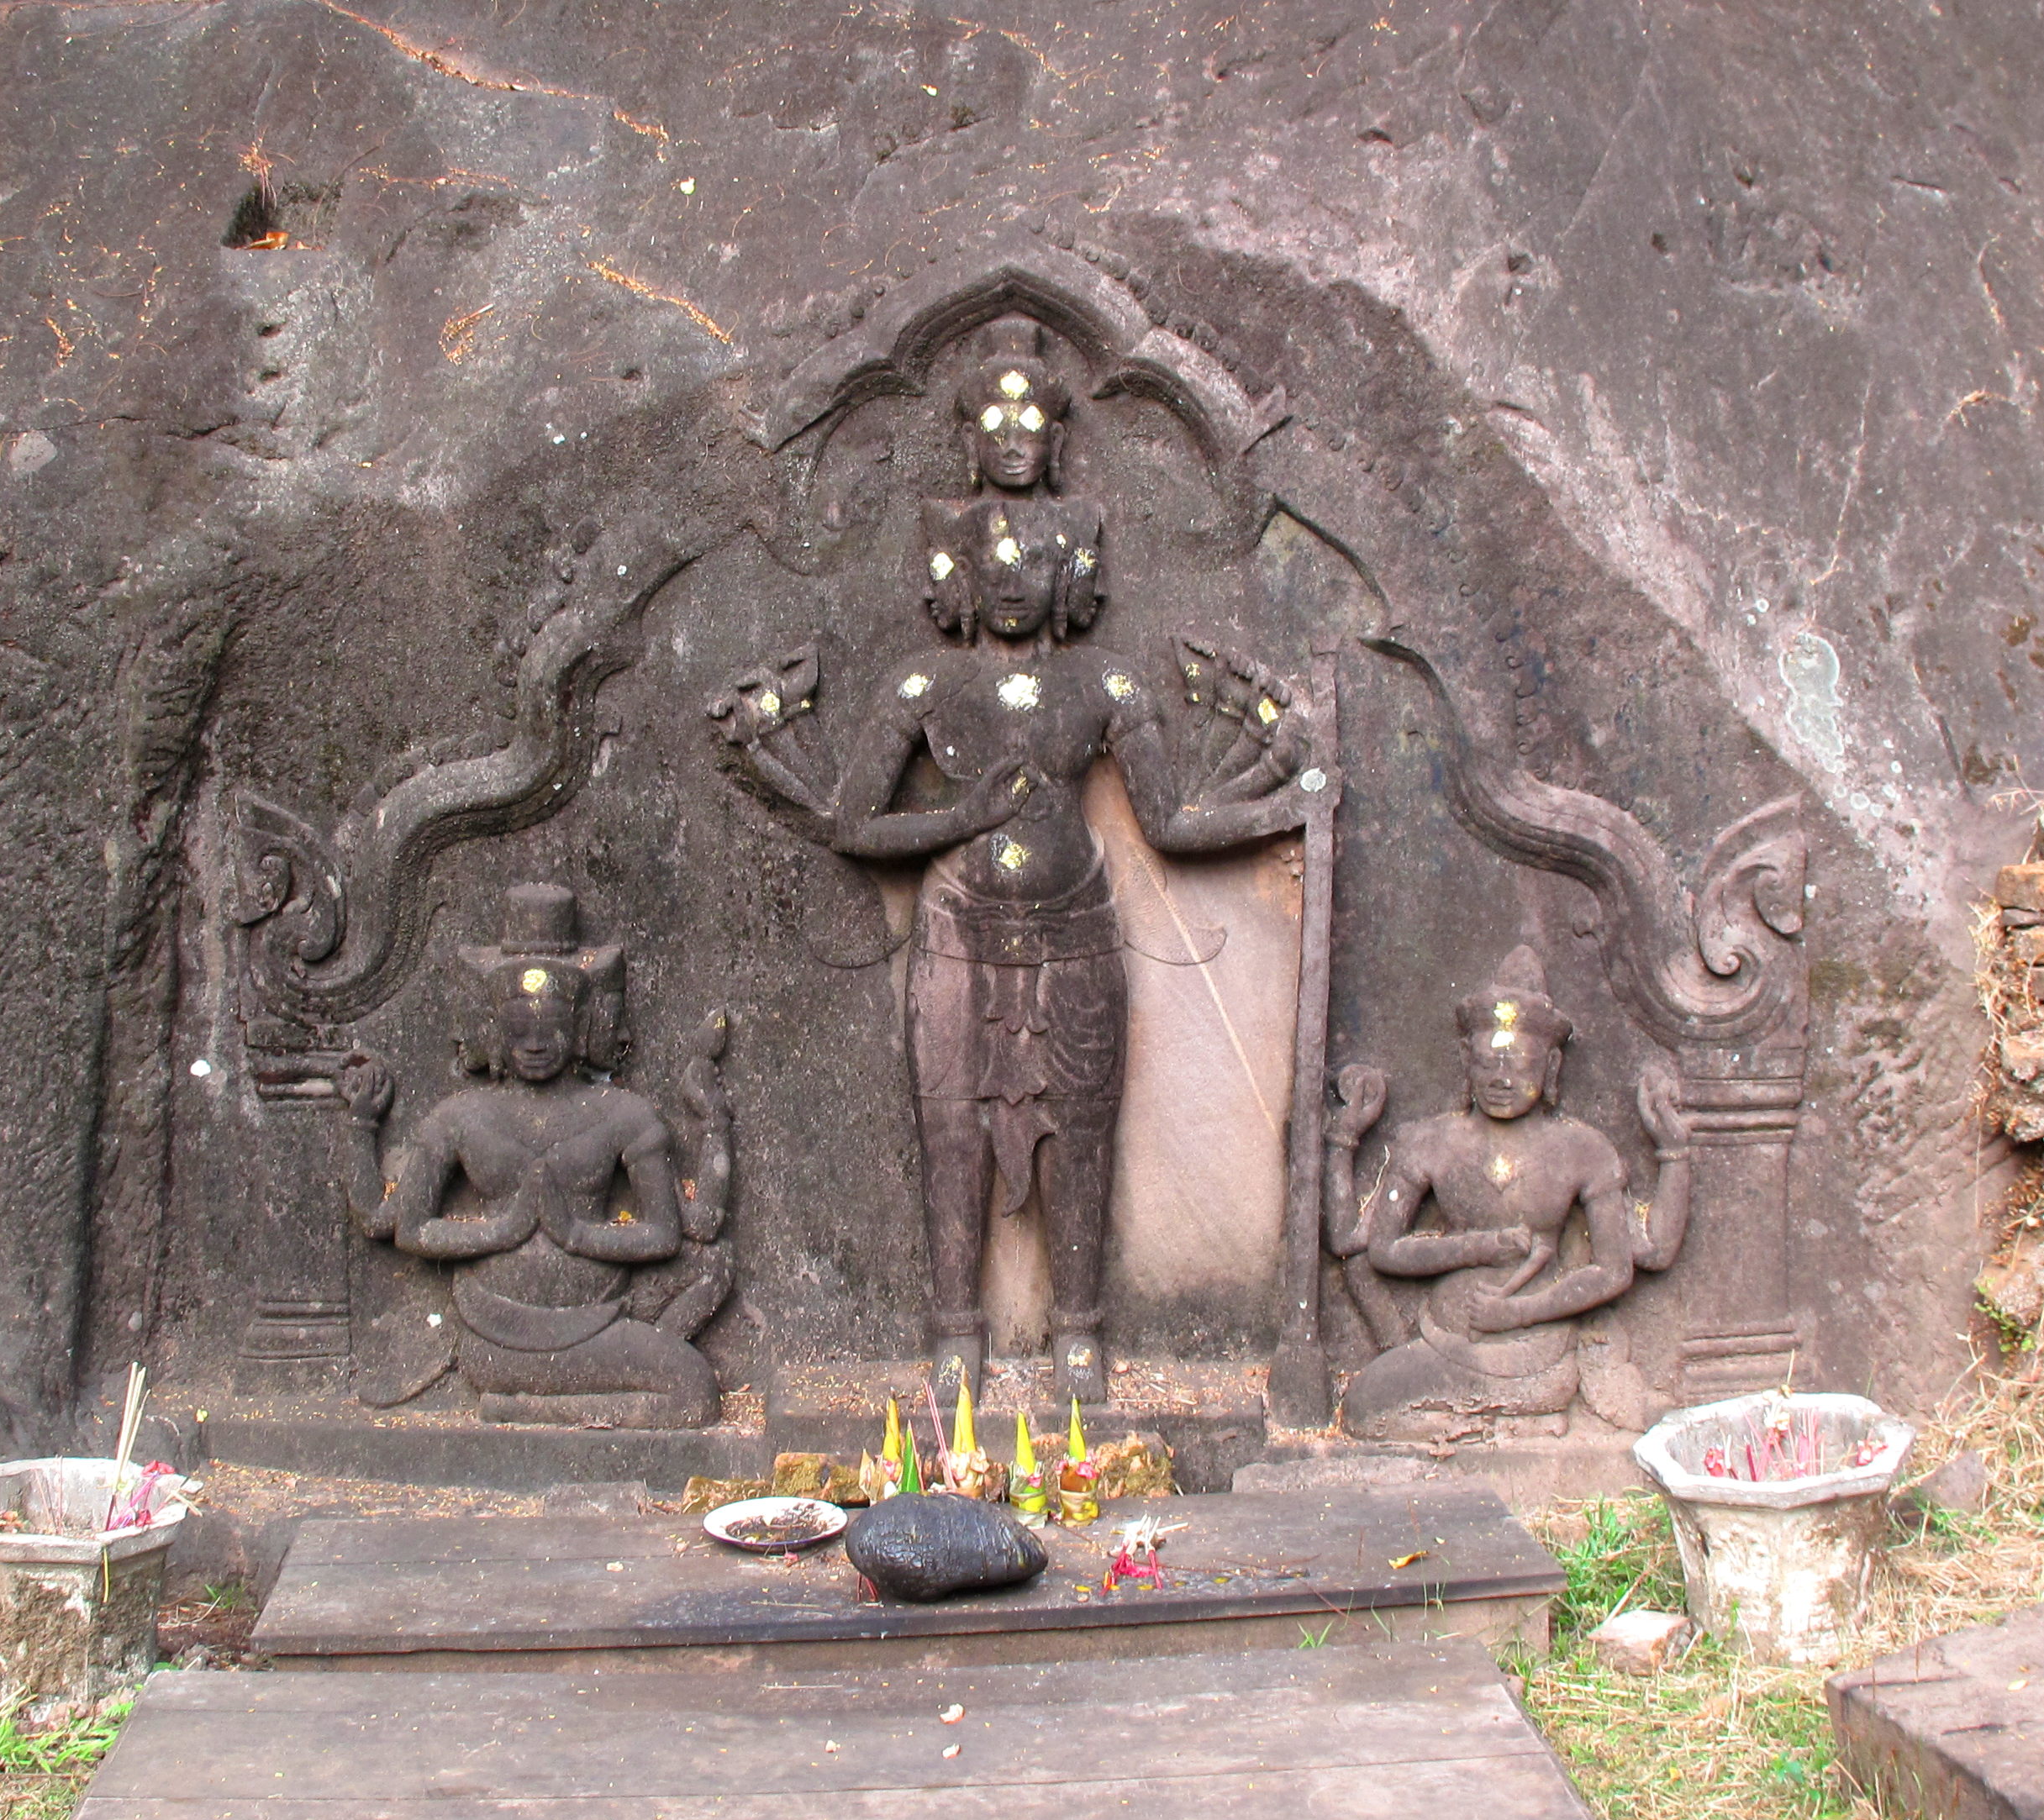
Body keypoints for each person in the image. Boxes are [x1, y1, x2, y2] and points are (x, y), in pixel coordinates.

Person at [720, 320, 1307, 1407]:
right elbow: (853, 826)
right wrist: (962, 816)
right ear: (952, 567)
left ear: (1071, 572)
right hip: (955, 936)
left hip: (1077, 930)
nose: (1011, 579)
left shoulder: (1108, 685)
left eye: (1034, 563)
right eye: (991, 562)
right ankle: (957, 1334)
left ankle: (1081, 1331)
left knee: (1080, 1134)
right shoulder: (923, 685)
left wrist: (1285, 798)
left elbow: (1171, 821)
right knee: (952, 1137)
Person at [335, 884, 730, 1427]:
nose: (534, 1042)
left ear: (585, 1028)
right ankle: (537, 1403)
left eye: (550, 1027)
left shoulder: (625, 1115)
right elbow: (397, 1225)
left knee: (697, 1386)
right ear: (492, 1030)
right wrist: (362, 1125)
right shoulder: (460, 1117)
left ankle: (528, 1412)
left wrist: (575, 1234)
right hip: (495, 1331)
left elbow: (664, 1233)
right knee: (692, 1391)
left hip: (598, 1320)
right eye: (518, 1028)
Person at [1330, 944, 1689, 1441]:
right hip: (1446, 1340)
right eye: (1487, 1062)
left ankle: (1503, 1422)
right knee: (1364, 1408)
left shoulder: (1582, 1149)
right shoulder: (1430, 1142)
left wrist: (1674, 1152)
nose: (1502, 1079)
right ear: (1465, 1061)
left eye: (1519, 1064)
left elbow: (1634, 1259)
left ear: (1552, 1066)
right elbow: (1371, 1246)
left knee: (1375, 1406)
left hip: (1536, 1354)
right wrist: (1343, 1139)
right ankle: (1506, 1429)